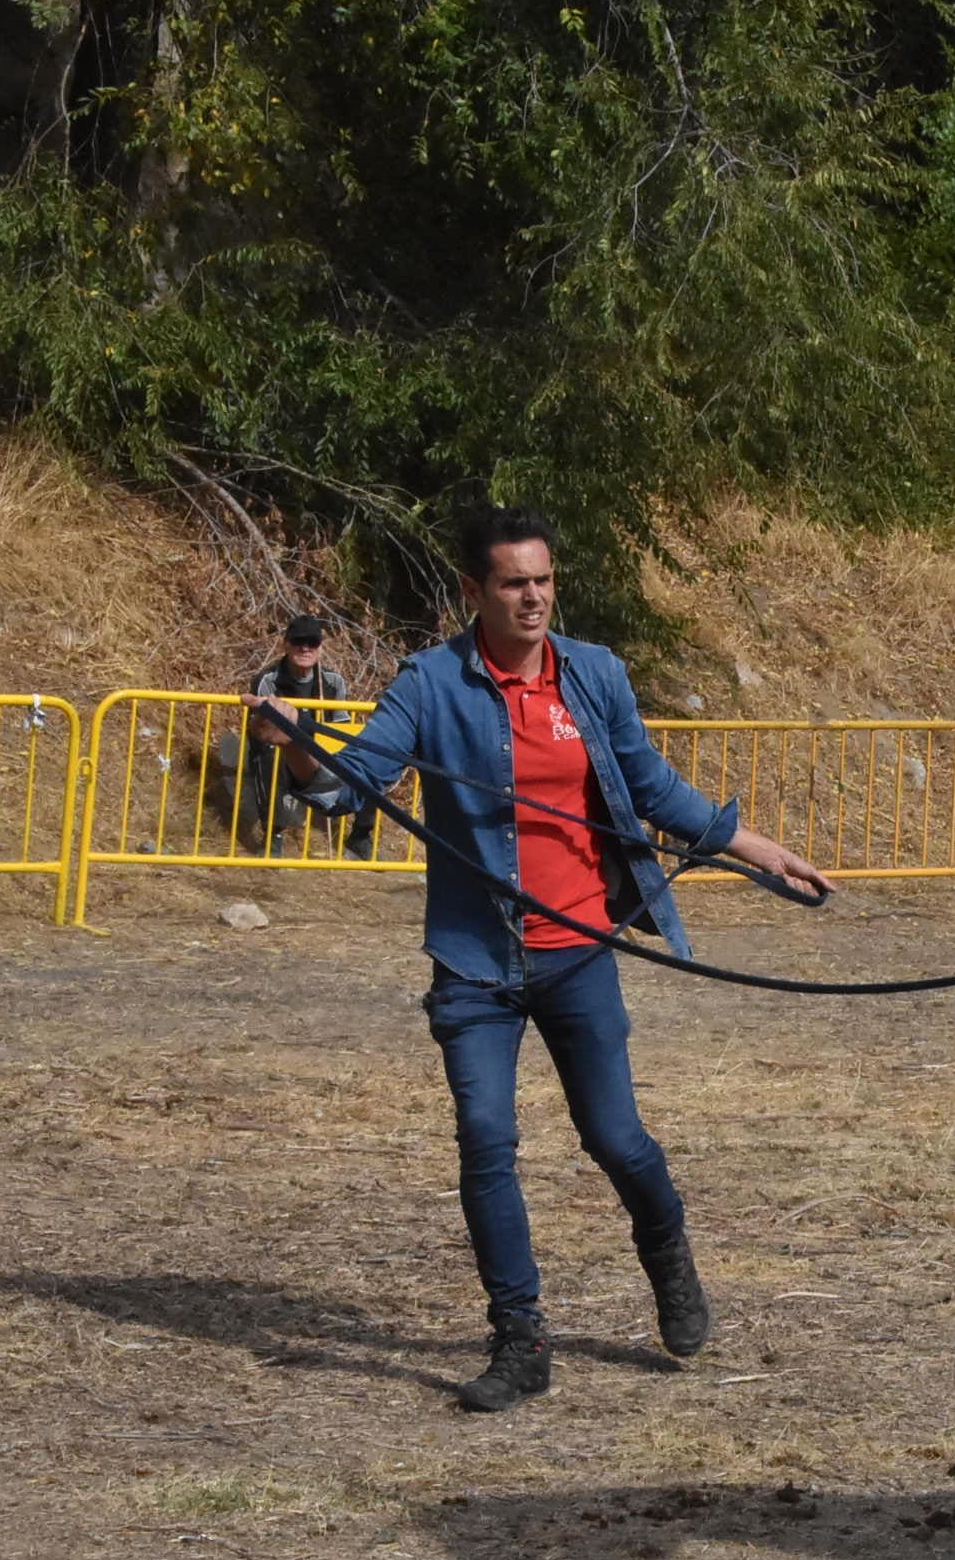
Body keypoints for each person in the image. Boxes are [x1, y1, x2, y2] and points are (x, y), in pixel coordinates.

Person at [244, 508, 830, 1412]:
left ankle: (667, 1254)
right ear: (474, 591)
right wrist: (290, 750)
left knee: (615, 1139)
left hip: (578, 953)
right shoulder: (432, 683)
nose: (534, 598)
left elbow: (650, 788)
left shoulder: (593, 675)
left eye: (544, 580)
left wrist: (758, 850)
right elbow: (345, 787)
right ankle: (520, 1340)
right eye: (514, 582)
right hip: (474, 964)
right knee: (486, 1143)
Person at [244, 614, 374, 860]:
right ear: (286, 644)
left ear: (320, 648)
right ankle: (273, 833)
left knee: (367, 760)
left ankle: (360, 836)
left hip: (320, 749)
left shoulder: (334, 682)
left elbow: (341, 727)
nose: (305, 647)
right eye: (297, 641)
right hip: (280, 748)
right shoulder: (267, 680)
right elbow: (263, 729)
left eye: (312, 642)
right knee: (266, 756)